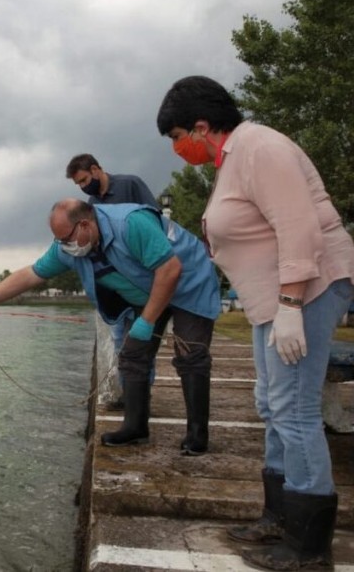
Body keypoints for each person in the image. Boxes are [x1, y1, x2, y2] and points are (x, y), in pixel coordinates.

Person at [156, 75, 354, 570]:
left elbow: (299, 225)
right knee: (271, 403)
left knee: (295, 409)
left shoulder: (259, 146)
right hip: (274, 299)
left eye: (178, 137)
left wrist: (290, 305)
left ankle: (309, 548)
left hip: (307, 287)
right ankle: (279, 516)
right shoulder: (230, 161)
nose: (179, 148)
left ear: (202, 126)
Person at [0, 198, 220, 456]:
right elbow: (31, 274)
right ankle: (135, 426)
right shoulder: (69, 248)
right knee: (132, 355)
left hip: (188, 282)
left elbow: (170, 270)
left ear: (85, 226)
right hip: (145, 291)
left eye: (66, 239)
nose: (64, 246)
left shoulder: (130, 223)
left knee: (190, 355)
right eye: (58, 241)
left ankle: (197, 434)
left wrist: (147, 320)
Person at [66, 154, 161, 410]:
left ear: (96, 169)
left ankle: (142, 396)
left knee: (141, 342)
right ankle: (127, 393)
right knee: (120, 339)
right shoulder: (92, 203)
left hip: (141, 278)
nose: (84, 187)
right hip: (115, 283)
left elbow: (156, 220)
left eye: (85, 180)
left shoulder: (131, 184)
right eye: (78, 185)